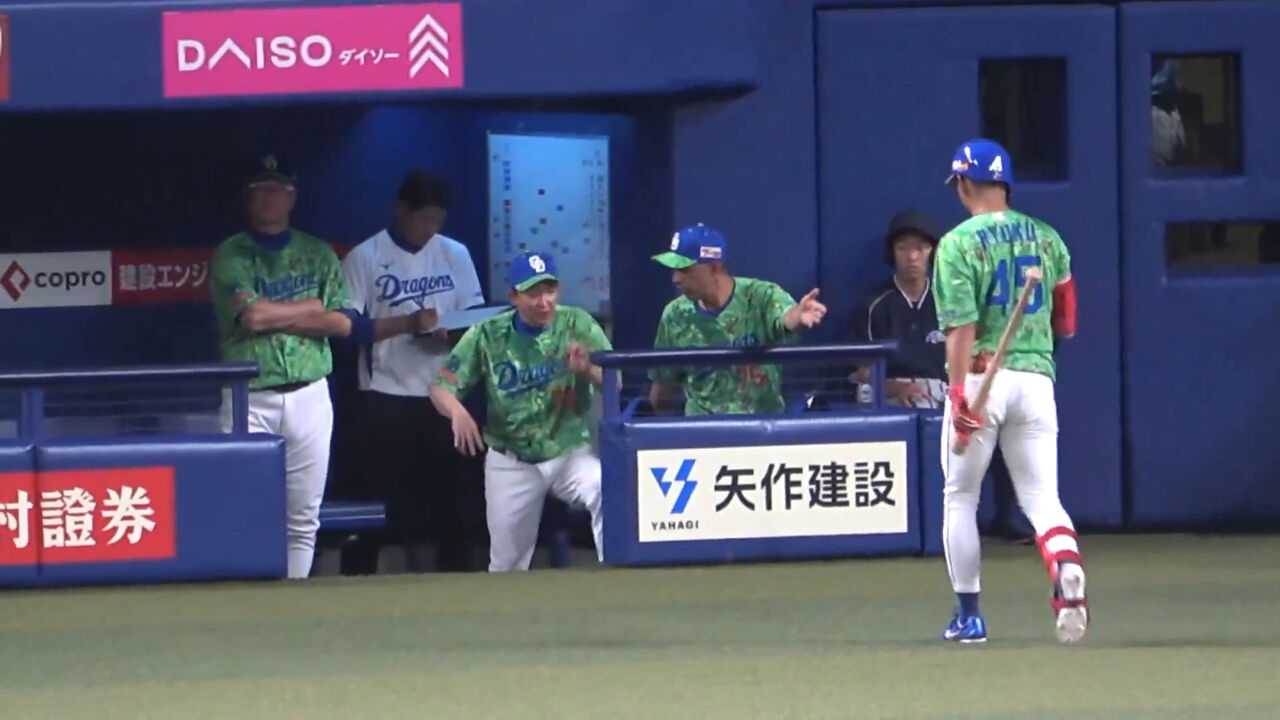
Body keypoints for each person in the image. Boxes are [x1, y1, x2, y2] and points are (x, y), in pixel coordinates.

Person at [933, 139, 1086, 644]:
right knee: (1043, 499)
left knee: (961, 497)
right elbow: (1067, 322)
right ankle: (1065, 566)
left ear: (964, 184)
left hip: (982, 379)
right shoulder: (1049, 238)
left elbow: (960, 327)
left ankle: (969, 616)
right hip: (1036, 381)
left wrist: (958, 393)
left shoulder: (956, 243)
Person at [211, 153, 354, 579]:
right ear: (248, 196)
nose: (268, 197)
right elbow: (253, 318)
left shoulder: (317, 253)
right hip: (249, 398)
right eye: (260, 189)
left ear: (291, 197)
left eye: (277, 189)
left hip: (310, 394)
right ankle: (247, 598)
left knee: (302, 515)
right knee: (244, 509)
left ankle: (294, 598)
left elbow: (342, 322)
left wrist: (281, 313)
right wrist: (309, 308)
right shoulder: (232, 254)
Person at [338, 170, 485, 573]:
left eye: (437, 220)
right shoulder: (365, 256)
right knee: (373, 503)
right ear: (401, 210)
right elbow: (347, 329)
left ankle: (459, 582)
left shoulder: (454, 253)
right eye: (423, 219)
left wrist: (450, 333)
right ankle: (356, 581)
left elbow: (476, 325)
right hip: (384, 394)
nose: (430, 228)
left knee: (455, 504)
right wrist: (409, 324)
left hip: (445, 394)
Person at [428, 251, 608, 572]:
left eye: (550, 291)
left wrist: (588, 370)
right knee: (507, 565)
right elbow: (441, 387)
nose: (544, 302)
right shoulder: (488, 333)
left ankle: (616, 574)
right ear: (514, 296)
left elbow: (614, 380)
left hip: (568, 451)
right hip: (511, 460)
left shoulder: (576, 323)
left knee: (604, 487)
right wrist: (457, 411)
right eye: (533, 293)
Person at [648, 223, 827, 415]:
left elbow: (785, 317)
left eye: (684, 269)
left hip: (761, 427)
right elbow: (664, 386)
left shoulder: (760, 297)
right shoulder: (675, 314)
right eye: (673, 270)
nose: (675, 279)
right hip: (701, 429)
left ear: (714, 267)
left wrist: (798, 316)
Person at [850, 208, 947, 408]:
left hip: (940, 393)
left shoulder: (948, 300)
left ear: (933, 252)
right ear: (892, 252)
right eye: (903, 248)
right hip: (889, 393)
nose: (912, 256)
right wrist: (901, 389)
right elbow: (864, 372)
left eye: (921, 248)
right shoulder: (873, 305)